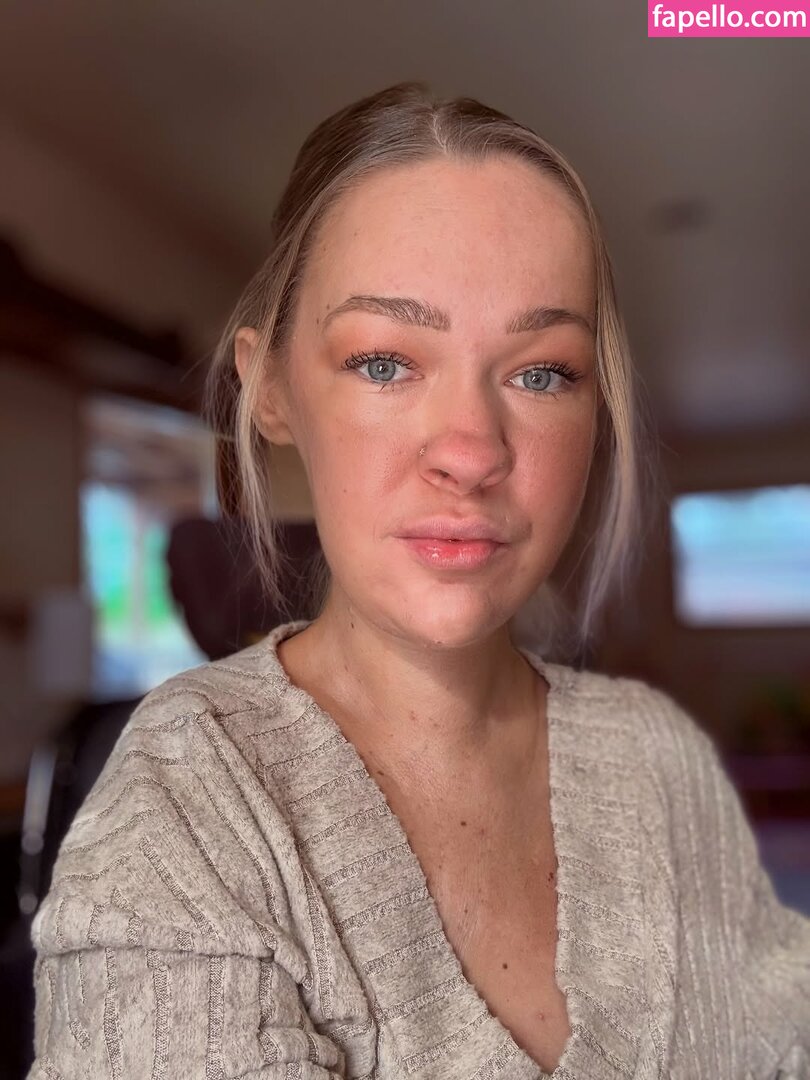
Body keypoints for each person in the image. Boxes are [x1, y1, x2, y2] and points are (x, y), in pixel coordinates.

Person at [27, 82, 809, 1080]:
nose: (472, 451)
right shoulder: (188, 816)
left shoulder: (661, 761)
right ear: (271, 389)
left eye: (542, 372)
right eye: (385, 362)